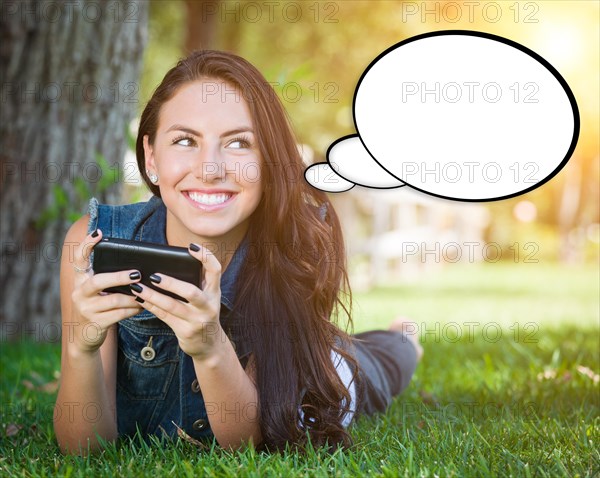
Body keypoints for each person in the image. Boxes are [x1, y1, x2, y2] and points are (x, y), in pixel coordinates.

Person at [54, 50, 423, 455]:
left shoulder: (296, 243)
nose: (210, 168)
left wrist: (209, 344)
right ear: (151, 156)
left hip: (311, 379)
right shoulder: (93, 242)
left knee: (376, 363)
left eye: (238, 143)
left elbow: (247, 444)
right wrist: (81, 347)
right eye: (184, 140)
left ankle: (401, 338)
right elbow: (84, 450)